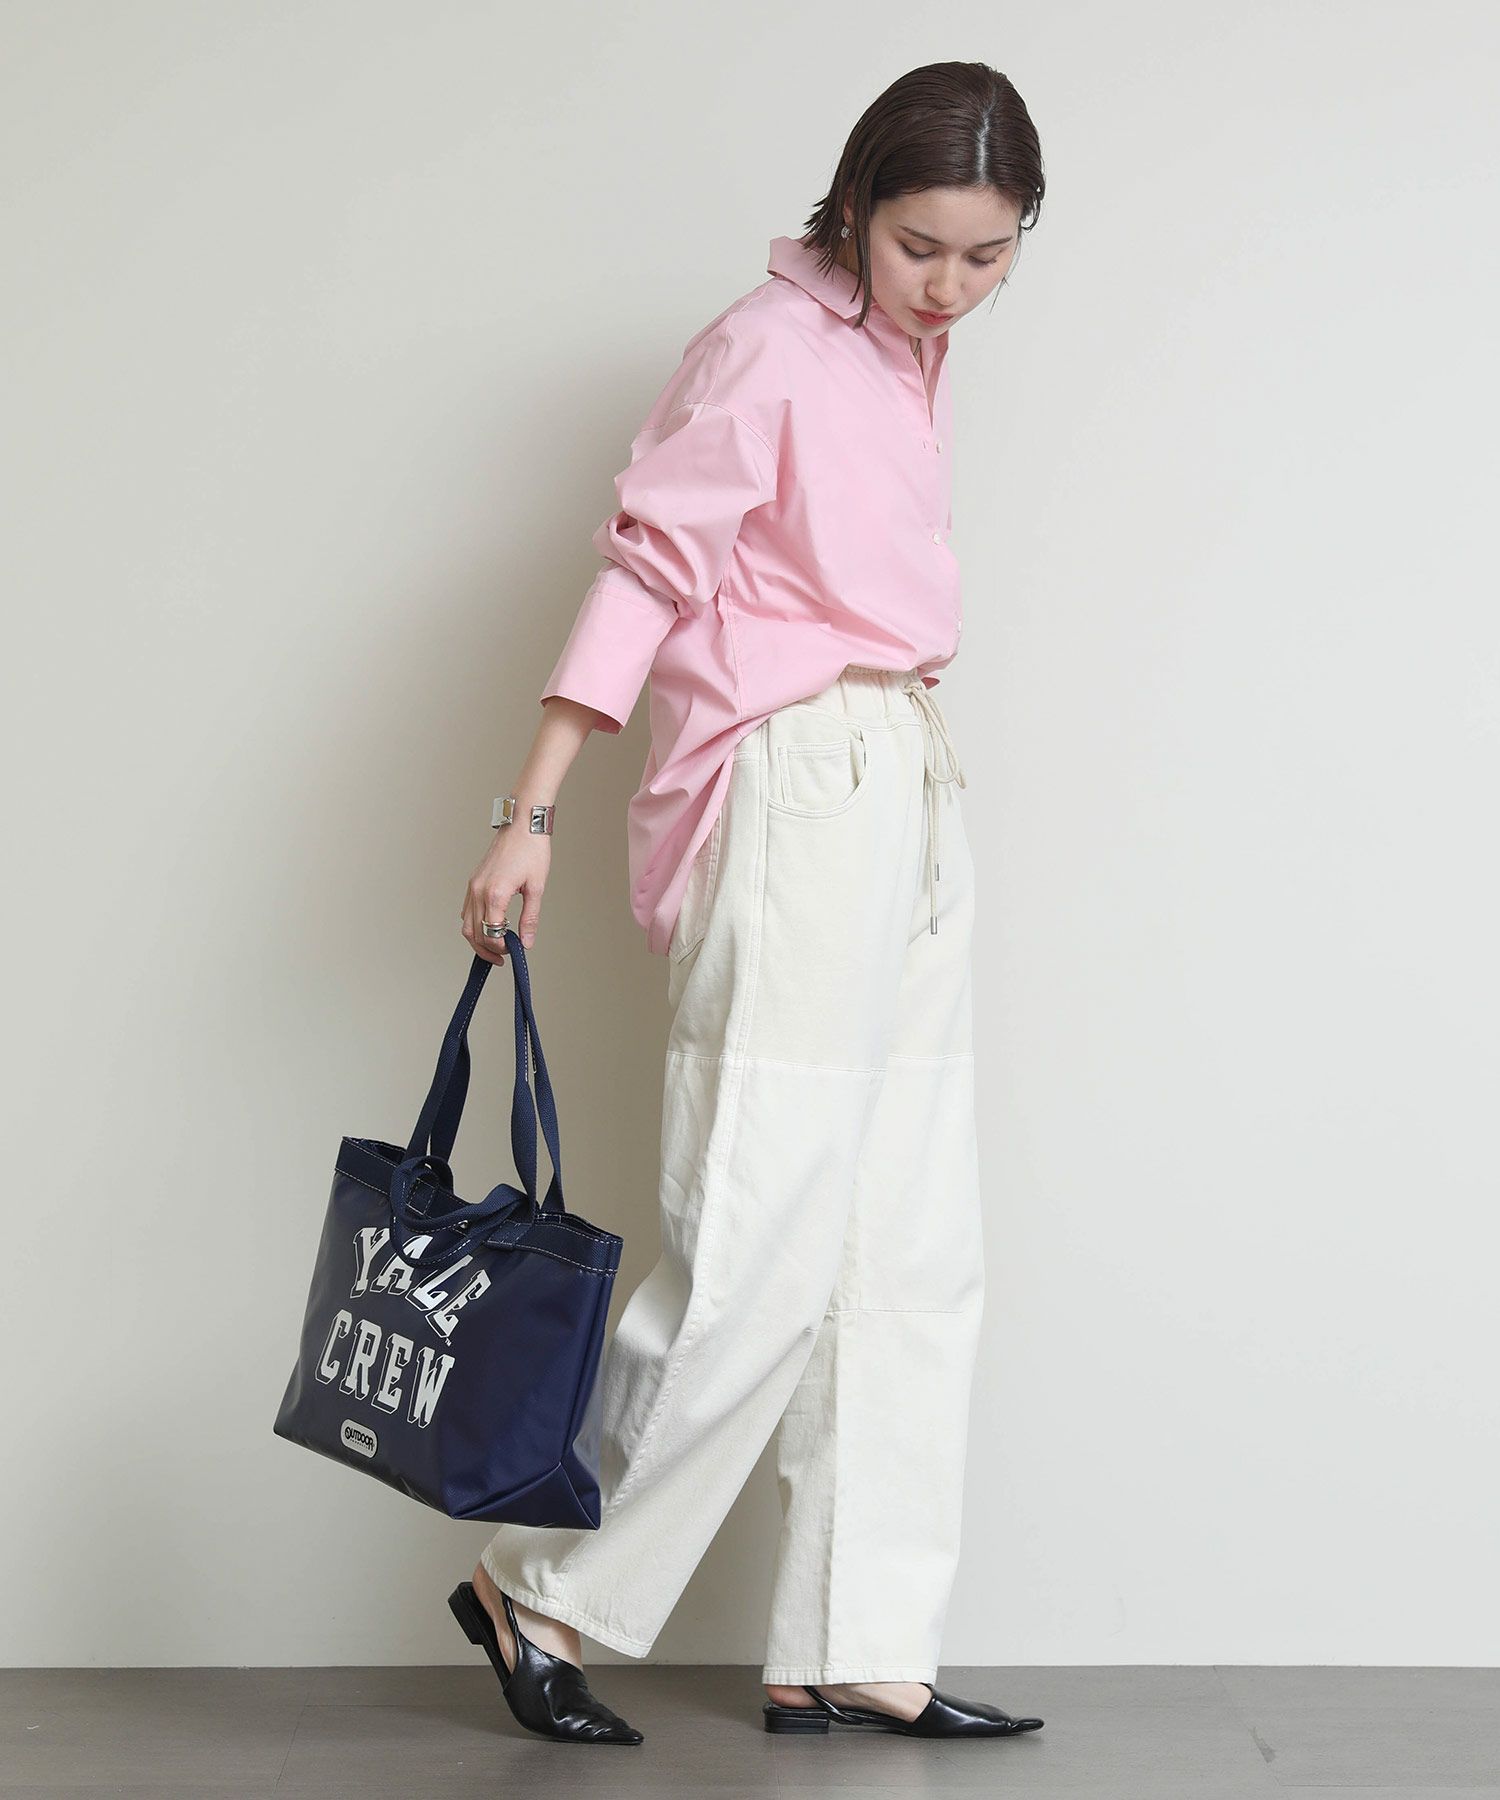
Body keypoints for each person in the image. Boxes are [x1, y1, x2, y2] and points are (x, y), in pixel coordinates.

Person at [448, 60, 1047, 1747]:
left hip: (908, 771)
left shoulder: (906, 359)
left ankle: (857, 1637)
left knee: (911, 1244)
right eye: (920, 246)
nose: (950, 286)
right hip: (795, 783)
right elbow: (650, 568)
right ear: (853, 205)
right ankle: (539, 1588)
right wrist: (531, 812)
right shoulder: (768, 346)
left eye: (989, 255)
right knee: (759, 1234)